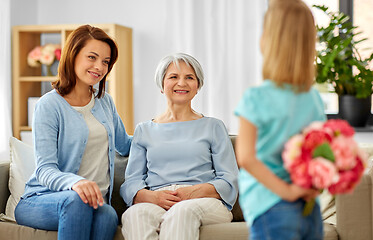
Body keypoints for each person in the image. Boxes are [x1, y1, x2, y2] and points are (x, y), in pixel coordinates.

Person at [14, 24, 132, 240]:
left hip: (93, 204)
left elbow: (126, 145)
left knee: (107, 214)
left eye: (105, 62)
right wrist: (75, 183)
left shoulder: (105, 102)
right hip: (42, 199)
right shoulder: (49, 105)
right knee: (77, 200)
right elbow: (45, 169)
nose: (99, 66)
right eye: (92, 57)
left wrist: (162, 133)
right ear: (73, 55)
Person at [120, 53, 239, 240]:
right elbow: (132, 182)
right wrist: (154, 198)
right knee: (134, 215)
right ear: (162, 85)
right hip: (157, 200)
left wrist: (192, 192)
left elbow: (229, 178)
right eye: (173, 77)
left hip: (204, 201)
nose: (181, 83)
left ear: (198, 86)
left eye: (189, 77)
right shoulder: (144, 130)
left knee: (182, 212)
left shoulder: (214, 126)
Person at [234, 1, 327, 239]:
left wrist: (286, 191)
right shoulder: (314, 99)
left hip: (269, 206)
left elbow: (245, 157)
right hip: (309, 209)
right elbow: (320, 154)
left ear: (269, 41)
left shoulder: (255, 98)